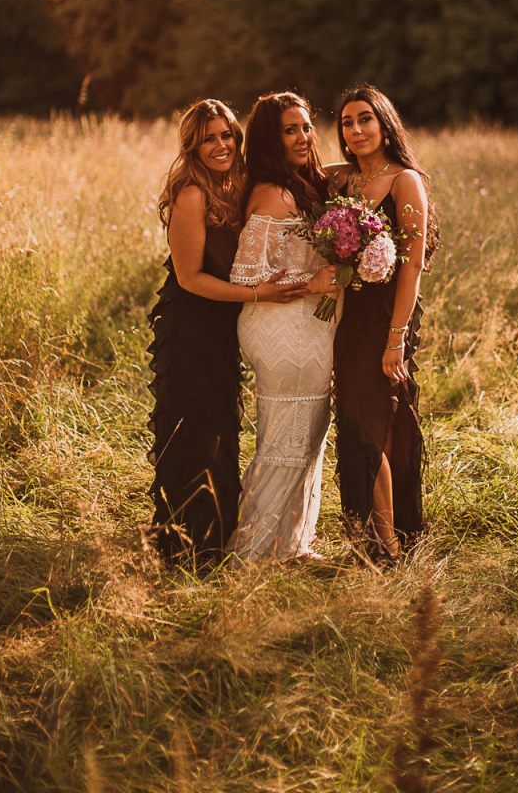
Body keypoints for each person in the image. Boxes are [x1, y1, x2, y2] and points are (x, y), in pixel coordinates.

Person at [148, 99, 307, 563]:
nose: (221, 145)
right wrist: (259, 295)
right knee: (195, 431)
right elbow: (190, 278)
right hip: (191, 327)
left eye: (227, 136)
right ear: (192, 145)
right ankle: (186, 545)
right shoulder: (192, 193)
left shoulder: (234, 185)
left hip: (222, 326)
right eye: (208, 138)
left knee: (220, 428)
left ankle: (215, 537)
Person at [226, 91, 339, 562]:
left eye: (307, 126)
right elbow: (246, 274)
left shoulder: (302, 184)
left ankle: (290, 544)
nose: (303, 137)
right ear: (272, 139)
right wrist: (314, 281)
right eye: (290, 130)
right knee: (286, 437)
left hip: (307, 327)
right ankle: (253, 551)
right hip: (281, 329)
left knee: (307, 434)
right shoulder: (272, 193)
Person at [329, 84, 439, 562]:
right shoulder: (342, 182)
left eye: (365, 120)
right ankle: (372, 534)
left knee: (373, 425)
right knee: (356, 421)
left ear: (384, 123)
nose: (355, 131)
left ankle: (389, 543)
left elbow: (411, 265)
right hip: (347, 321)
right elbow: (299, 172)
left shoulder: (404, 182)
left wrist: (396, 338)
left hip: (387, 321)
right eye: (347, 124)